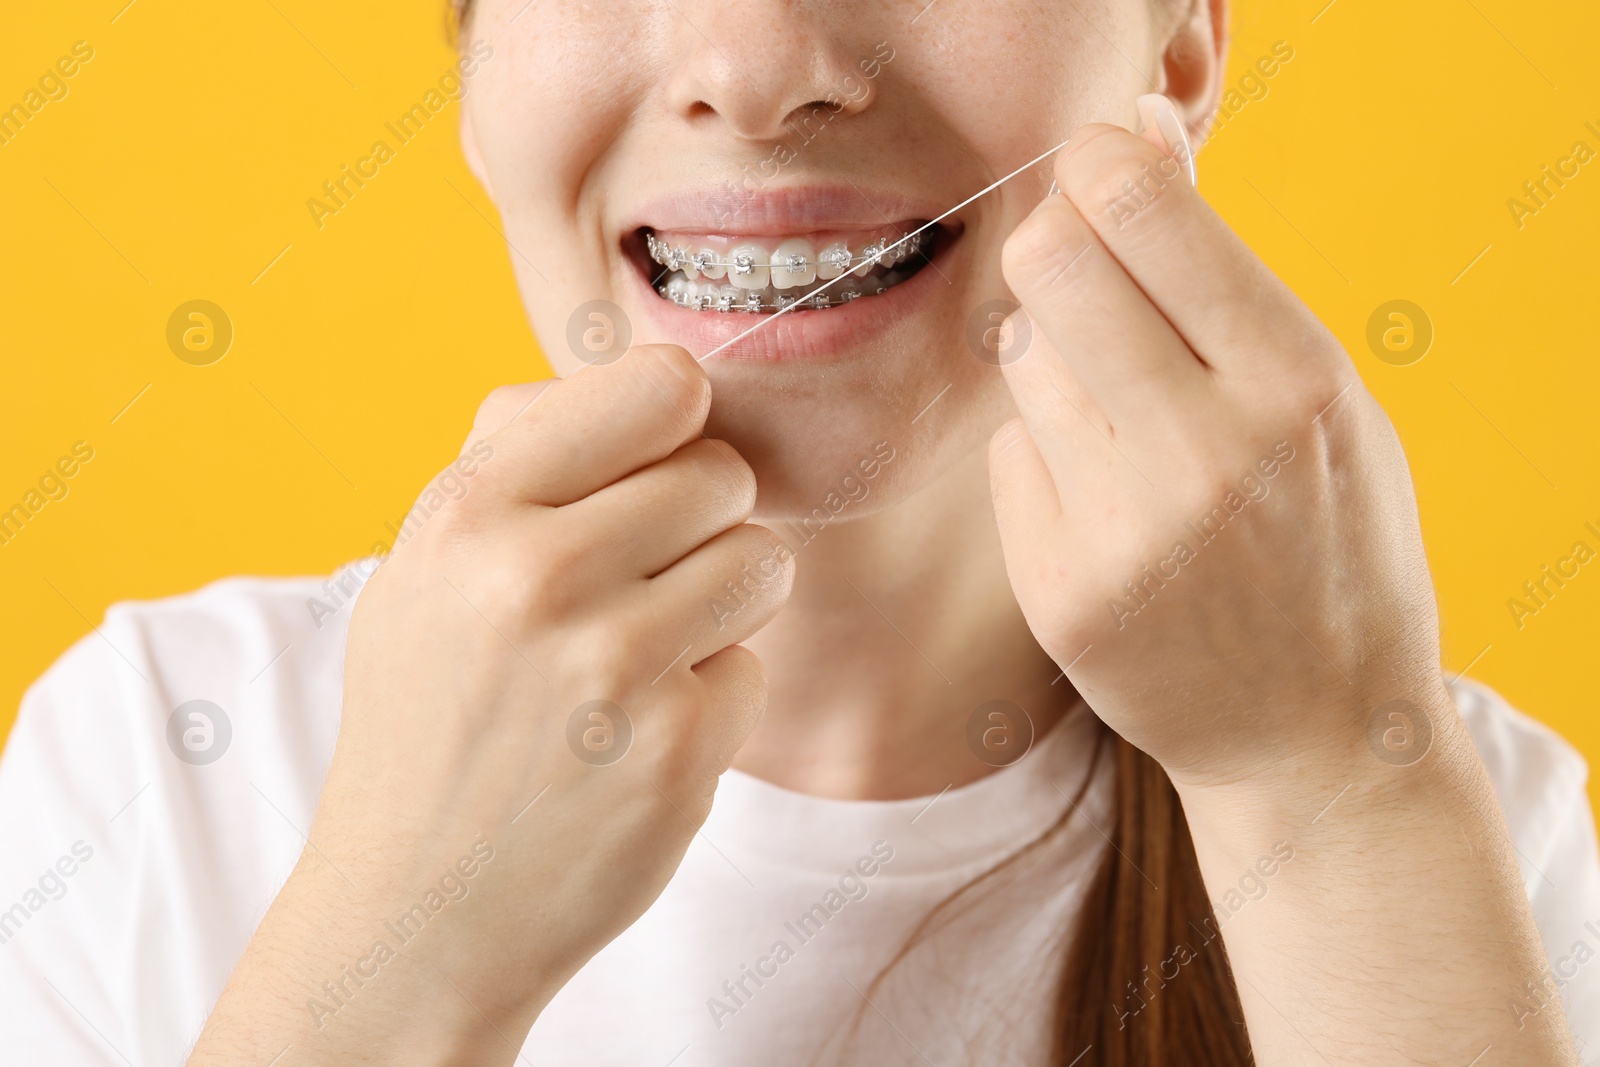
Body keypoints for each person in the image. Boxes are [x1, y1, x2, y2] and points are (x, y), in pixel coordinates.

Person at [2, 0, 1597, 1063]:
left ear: (1173, 52)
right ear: (476, 69)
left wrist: (1322, 788)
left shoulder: (1469, 843)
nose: (759, 66)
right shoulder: (151, 770)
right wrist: (400, 962)